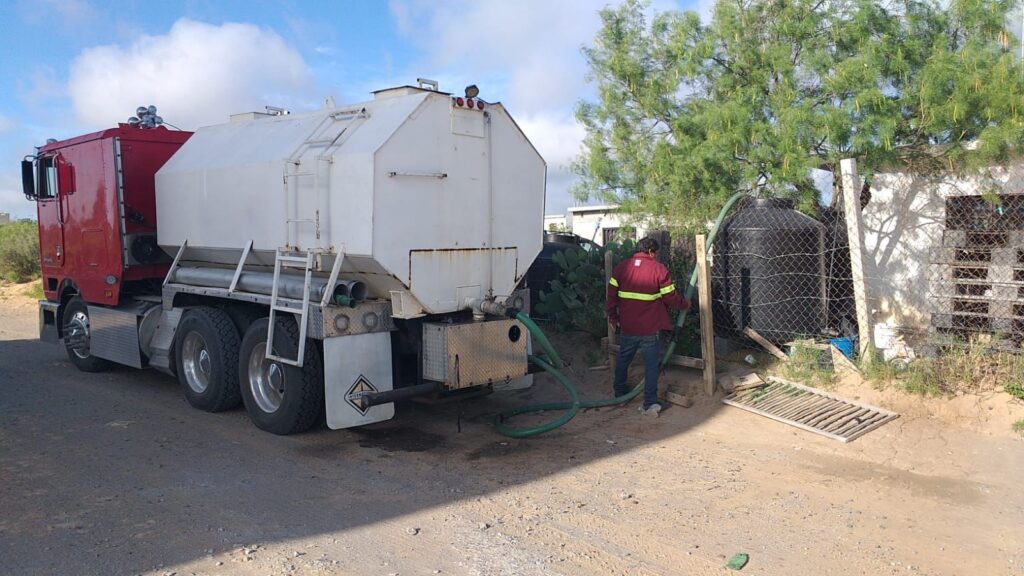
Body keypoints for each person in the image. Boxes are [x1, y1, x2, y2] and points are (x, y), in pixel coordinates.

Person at [606, 236, 689, 417]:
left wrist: (613, 317)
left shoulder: (621, 268)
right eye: (656, 253)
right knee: (651, 366)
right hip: (650, 328)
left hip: (628, 326)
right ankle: (649, 403)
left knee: (623, 359)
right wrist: (685, 304)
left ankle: (620, 394)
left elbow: (611, 295)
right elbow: (670, 297)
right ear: (652, 252)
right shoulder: (658, 269)